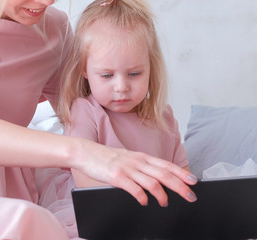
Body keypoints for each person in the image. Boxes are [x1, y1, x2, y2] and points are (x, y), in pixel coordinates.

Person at [0, 0, 197, 239]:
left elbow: (97, 110)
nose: (48, 1)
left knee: (30, 225)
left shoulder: (55, 31)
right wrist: (83, 152)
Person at [37, 0, 197, 238]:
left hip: (156, 212)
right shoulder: (86, 112)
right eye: (107, 75)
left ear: (150, 67)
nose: (121, 87)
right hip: (103, 211)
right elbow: (87, 183)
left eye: (134, 73)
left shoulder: (163, 116)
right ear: (84, 69)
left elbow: (181, 172)